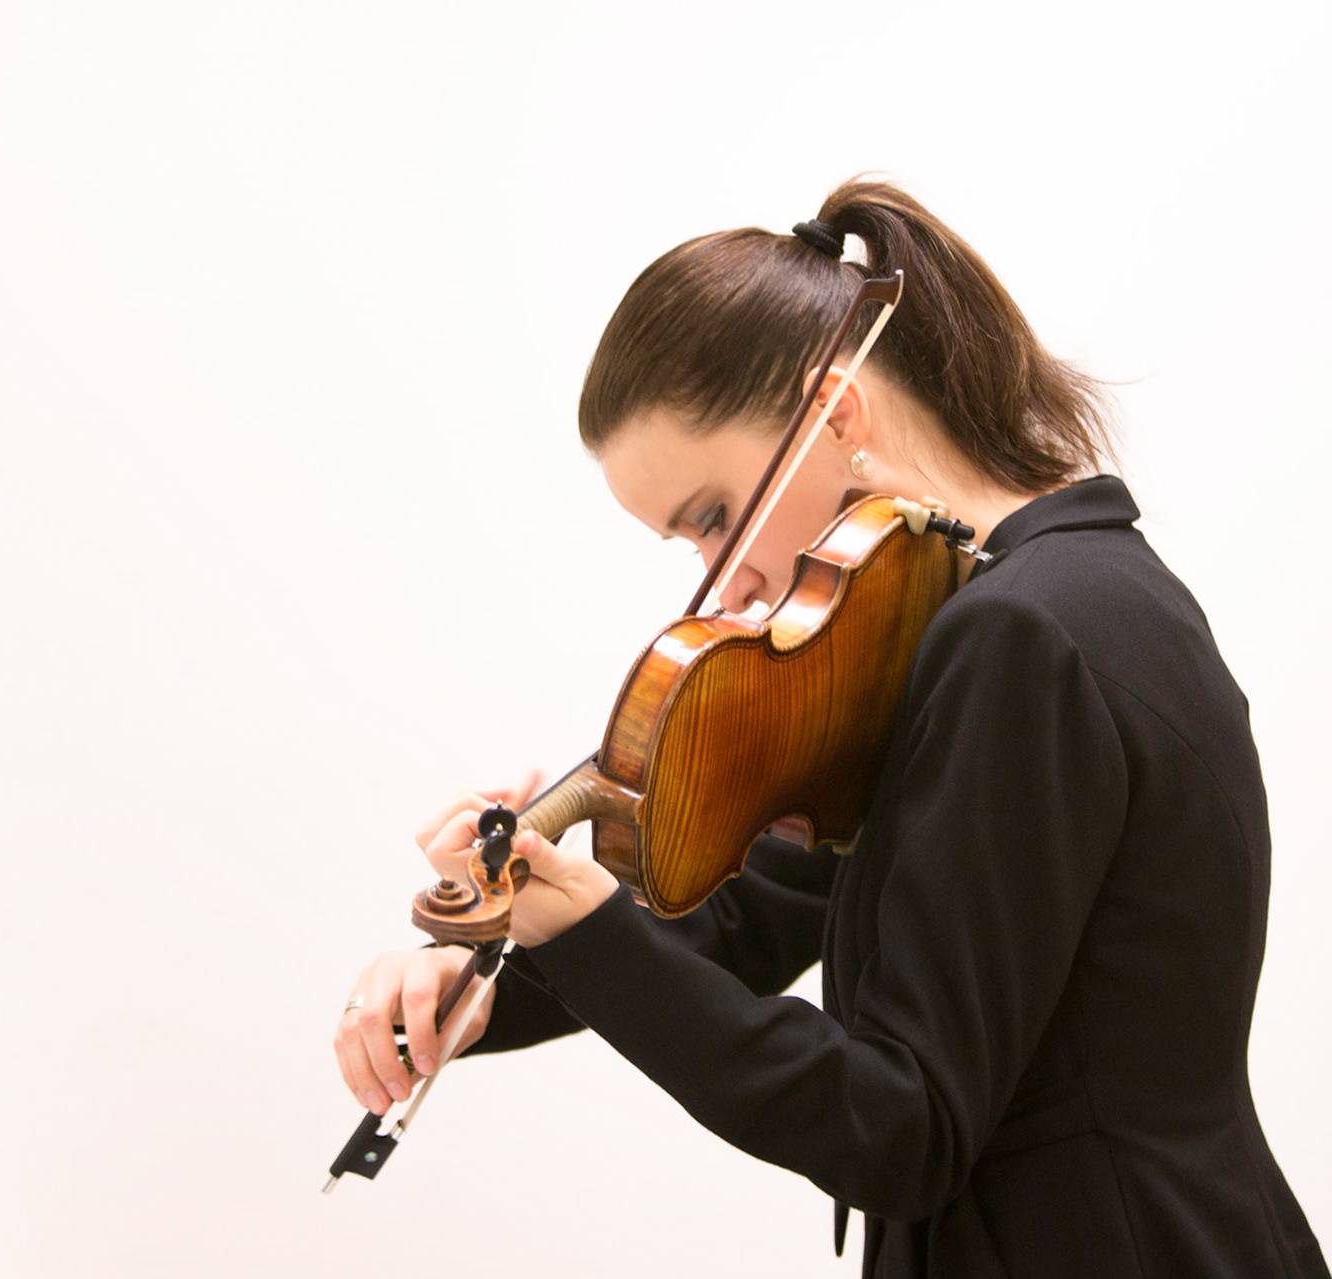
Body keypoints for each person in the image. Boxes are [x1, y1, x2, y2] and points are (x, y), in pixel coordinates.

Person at [333, 179, 1327, 1277]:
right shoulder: (1024, 604)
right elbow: (757, 913)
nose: (723, 581)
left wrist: (589, 930)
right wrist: (481, 975)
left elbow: (905, 1124)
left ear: (838, 413)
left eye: (714, 516)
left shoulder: (1026, 637)